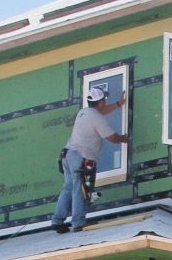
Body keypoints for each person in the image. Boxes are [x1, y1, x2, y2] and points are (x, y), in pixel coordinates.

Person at [51, 86, 128, 233]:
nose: (105, 102)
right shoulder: (96, 117)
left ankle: (57, 221)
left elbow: (103, 111)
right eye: (104, 100)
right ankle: (78, 223)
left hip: (68, 155)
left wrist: (119, 104)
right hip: (81, 156)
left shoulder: (84, 112)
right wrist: (124, 139)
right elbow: (111, 137)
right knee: (80, 189)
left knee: (68, 187)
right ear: (100, 102)